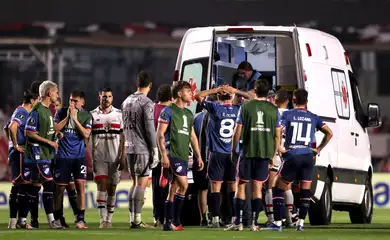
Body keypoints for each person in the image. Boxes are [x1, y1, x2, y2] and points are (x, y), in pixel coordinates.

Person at [262, 88, 333, 231]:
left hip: (293, 154)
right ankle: (300, 223)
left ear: (293, 101)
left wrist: (279, 149)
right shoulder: (313, 116)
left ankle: (277, 223)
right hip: (308, 155)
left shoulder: (287, 115)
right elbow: (330, 133)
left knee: (277, 187)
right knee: (305, 189)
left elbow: (277, 131)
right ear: (307, 102)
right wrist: (318, 149)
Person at [195, 85, 253, 228]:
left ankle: (214, 219)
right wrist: (236, 90)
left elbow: (197, 95)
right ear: (232, 97)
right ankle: (233, 218)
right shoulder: (239, 109)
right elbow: (252, 98)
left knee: (216, 187)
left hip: (217, 153)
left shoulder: (215, 108)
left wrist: (216, 90)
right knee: (233, 186)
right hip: (234, 153)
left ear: (219, 97)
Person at [226, 79, 281, 231]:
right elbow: (278, 135)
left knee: (241, 184)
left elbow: (237, 131)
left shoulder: (245, 107)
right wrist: (273, 155)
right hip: (264, 154)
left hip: (247, 151)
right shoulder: (273, 110)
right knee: (258, 187)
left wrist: (233, 150)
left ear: (254, 91)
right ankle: (254, 224)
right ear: (267, 92)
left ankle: (238, 223)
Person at [157, 81, 204, 231]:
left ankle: (168, 222)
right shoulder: (168, 110)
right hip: (173, 153)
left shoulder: (189, 114)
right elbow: (159, 134)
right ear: (179, 94)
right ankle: (175, 221)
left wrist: (199, 156)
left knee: (174, 188)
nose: (191, 94)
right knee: (184, 185)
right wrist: (164, 155)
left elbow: (193, 137)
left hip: (184, 155)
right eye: (188, 92)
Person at [121, 71, 159, 228]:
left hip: (129, 146)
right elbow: (150, 129)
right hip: (142, 148)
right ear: (150, 85)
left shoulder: (125, 101)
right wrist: (155, 149)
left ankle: (133, 219)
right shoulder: (147, 103)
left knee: (135, 183)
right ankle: (136, 220)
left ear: (137, 83)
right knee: (141, 184)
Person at [24, 80, 64, 229]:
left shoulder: (48, 110)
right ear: (49, 93)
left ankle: (21, 219)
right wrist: (50, 143)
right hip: (37, 154)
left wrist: (56, 136)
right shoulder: (37, 110)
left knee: (34, 189)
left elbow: (49, 131)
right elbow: (29, 132)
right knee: (49, 184)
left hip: (46, 155)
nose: (57, 95)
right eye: (56, 92)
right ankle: (51, 221)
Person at [53, 90, 92, 229]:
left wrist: (75, 119)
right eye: (70, 100)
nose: (72, 103)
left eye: (75, 101)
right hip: (62, 156)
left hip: (79, 157)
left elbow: (87, 134)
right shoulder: (61, 112)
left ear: (82, 102)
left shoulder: (86, 115)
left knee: (80, 186)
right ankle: (57, 218)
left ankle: (80, 219)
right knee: (60, 189)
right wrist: (68, 117)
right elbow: (55, 128)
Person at [91, 87, 126, 228]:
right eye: (104, 96)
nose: (107, 99)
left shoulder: (119, 114)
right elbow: (89, 137)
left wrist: (123, 156)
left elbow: (123, 137)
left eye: (109, 96)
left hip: (115, 157)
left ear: (112, 98)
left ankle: (109, 219)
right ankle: (102, 220)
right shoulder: (92, 115)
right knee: (101, 186)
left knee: (112, 189)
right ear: (99, 97)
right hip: (99, 157)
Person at [7, 90, 39, 229]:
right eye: (37, 100)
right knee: (22, 185)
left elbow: (6, 128)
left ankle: (18, 220)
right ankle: (16, 221)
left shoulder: (22, 112)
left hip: (22, 153)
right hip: (19, 154)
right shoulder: (22, 112)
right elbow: (11, 127)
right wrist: (15, 145)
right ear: (32, 101)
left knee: (24, 185)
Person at [152, 84, 172, 227]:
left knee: (156, 185)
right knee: (167, 185)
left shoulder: (151, 109)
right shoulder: (169, 111)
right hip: (166, 151)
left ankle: (157, 217)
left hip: (152, 152)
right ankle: (166, 216)